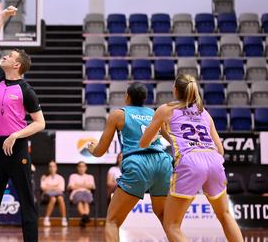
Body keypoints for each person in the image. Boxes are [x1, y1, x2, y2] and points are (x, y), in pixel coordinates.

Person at [140, 75, 243, 242]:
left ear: (175, 90)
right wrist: (170, 135)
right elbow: (220, 150)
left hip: (190, 162)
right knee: (224, 215)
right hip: (214, 160)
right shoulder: (204, 112)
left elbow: (144, 143)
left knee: (172, 225)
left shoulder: (165, 109)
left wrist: (160, 131)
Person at [0, 6, 45, 242]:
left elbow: (39, 123)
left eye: (10, 57)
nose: (5, 57)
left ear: (17, 65)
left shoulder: (26, 90)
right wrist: (2, 18)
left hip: (17, 149)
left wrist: (16, 135)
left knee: (27, 202)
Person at [86, 82, 173, 242]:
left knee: (112, 221)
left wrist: (92, 149)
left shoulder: (118, 114)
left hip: (138, 162)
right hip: (162, 162)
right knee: (165, 217)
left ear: (127, 97)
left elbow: (100, 152)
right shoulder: (155, 113)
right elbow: (172, 139)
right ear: (145, 98)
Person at [68, 161, 96, 227]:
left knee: (86, 202)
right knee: (79, 201)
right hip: (76, 193)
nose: (81, 168)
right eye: (80, 166)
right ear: (77, 168)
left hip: (86, 193)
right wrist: (85, 185)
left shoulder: (90, 176)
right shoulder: (73, 176)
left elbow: (92, 186)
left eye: (83, 166)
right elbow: (71, 186)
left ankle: (84, 218)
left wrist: (78, 185)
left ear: (86, 168)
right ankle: (85, 217)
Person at [40, 161, 68, 227]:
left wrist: (49, 187)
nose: (52, 168)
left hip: (58, 195)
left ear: (56, 168)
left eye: (53, 166)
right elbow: (43, 188)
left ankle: (64, 219)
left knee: (60, 198)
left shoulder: (60, 178)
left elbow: (61, 189)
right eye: (50, 166)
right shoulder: (44, 177)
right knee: (53, 199)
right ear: (48, 168)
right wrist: (55, 186)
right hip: (47, 196)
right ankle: (46, 218)